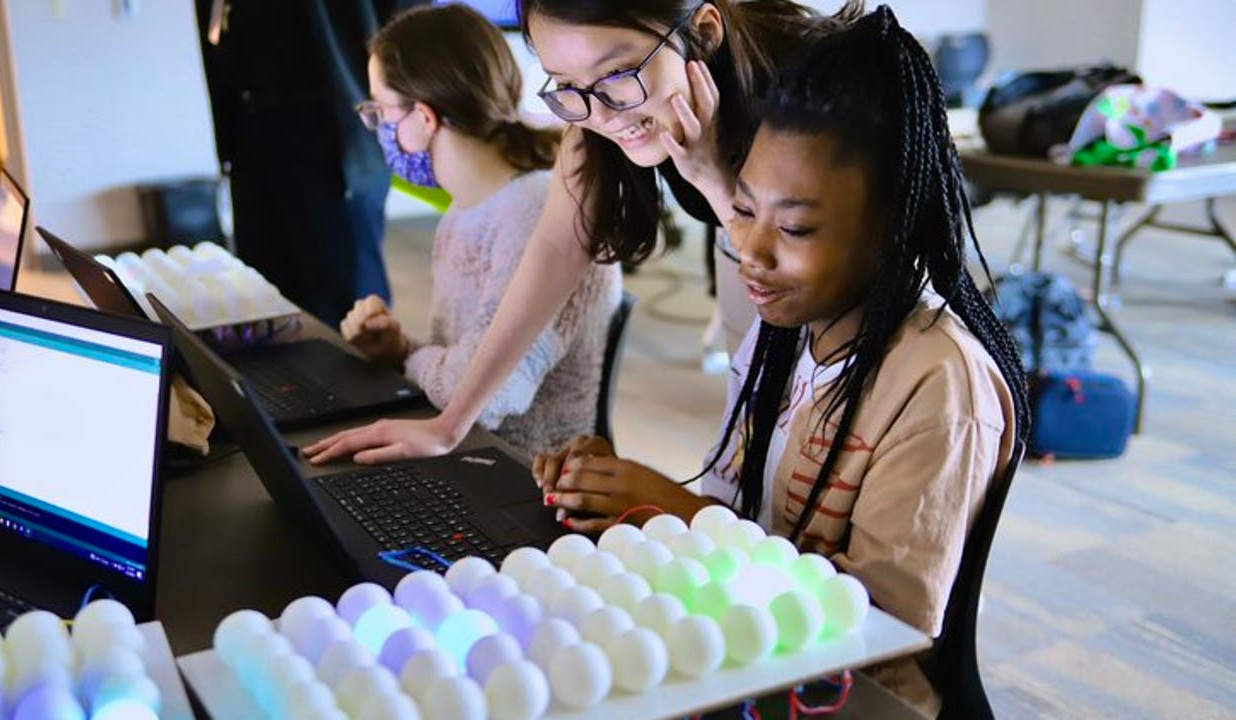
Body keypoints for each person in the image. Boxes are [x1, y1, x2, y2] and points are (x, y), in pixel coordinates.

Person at [532, 7, 1030, 715]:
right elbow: (738, 514)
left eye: (794, 227)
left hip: (850, 696)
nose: (753, 254)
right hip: (740, 658)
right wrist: (623, 495)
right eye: (742, 210)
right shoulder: (789, 324)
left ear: (892, 222)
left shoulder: (939, 383)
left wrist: (671, 509)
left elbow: (886, 624)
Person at [305, 0, 862, 464]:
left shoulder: (796, 98)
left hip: (857, 310)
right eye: (568, 85)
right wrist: (449, 425)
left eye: (617, 75)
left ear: (704, 31)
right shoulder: (593, 115)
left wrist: (710, 177)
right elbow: (554, 248)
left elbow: (805, 297)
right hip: (751, 254)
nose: (602, 112)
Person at [325, 4, 621, 456]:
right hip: (468, 452)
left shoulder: (535, 209)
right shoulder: (462, 215)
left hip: (522, 472)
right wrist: (401, 350)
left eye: (379, 112)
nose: (377, 128)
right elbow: (461, 369)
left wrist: (408, 355)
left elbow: (487, 397)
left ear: (424, 118)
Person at [194, 0, 422, 325]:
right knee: (265, 297)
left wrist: (404, 109)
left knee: (347, 301)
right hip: (249, 123)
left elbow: (407, 18)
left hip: (330, 122)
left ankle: (358, 375)